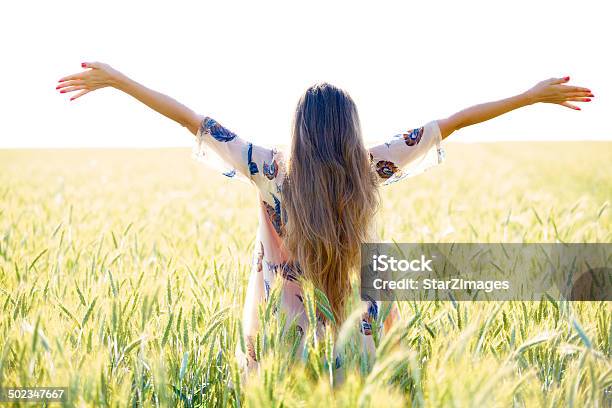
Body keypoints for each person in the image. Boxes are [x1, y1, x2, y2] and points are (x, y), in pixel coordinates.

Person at [56, 62, 593, 371]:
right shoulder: (369, 167)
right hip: (353, 331)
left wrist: (118, 81)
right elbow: (449, 123)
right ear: (348, 127)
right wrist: (529, 97)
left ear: (301, 129)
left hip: (281, 336)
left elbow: (193, 120)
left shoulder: (266, 168)